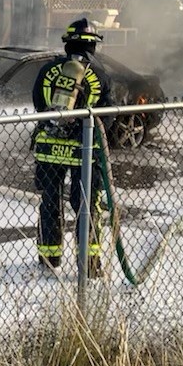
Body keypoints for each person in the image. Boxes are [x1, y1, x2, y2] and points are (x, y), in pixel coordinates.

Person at [31, 18, 113, 277]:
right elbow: (108, 116)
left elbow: (39, 104)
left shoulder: (48, 70)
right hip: (84, 151)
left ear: (67, 43)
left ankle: (49, 257)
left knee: (50, 202)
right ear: (93, 45)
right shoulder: (99, 75)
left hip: (49, 149)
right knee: (87, 206)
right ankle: (89, 264)